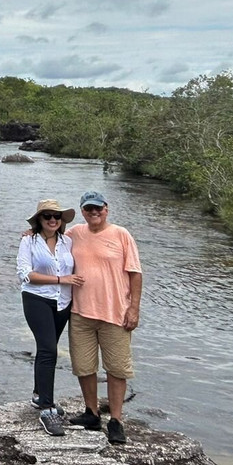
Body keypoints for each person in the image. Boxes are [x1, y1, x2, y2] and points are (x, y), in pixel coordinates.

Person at [66, 190, 143, 445]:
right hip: (81, 313)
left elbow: (135, 274)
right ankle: (92, 413)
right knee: (84, 366)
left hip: (115, 314)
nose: (94, 212)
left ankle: (116, 420)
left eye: (98, 208)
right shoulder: (74, 234)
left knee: (117, 368)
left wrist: (134, 309)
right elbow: (49, 238)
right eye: (89, 209)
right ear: (83, 212)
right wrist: (30, 233)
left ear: (106, 209)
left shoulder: (121, 234)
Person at [16, 198, 83, 436]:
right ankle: (47, 409)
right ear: (39, 220)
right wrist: (61, 279)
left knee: (47, 348)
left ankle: (38, 395)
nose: (52, 220)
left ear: (62, 220)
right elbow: (25, 274)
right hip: (37, 299)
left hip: (62, 302)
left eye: (56, 216)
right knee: (48, 350)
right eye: (47, 216)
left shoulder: (68, 241)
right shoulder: (28, 241)